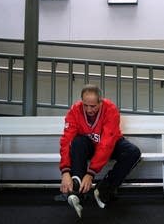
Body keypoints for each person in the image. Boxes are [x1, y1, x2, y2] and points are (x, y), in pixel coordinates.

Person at [59, 84, 141, 217]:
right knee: (77, 142)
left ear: (100, 102)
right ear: (81, 101)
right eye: (85, 105)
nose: (88, 109)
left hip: (110, 144)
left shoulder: (110, 109)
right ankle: (76, 188)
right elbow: (66, 141)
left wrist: (91, 173)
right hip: (89, 146)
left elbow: (106, 144)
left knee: (133, 152)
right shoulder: (75, 110)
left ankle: (104, 189)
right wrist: (65, 171)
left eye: (93, 106)